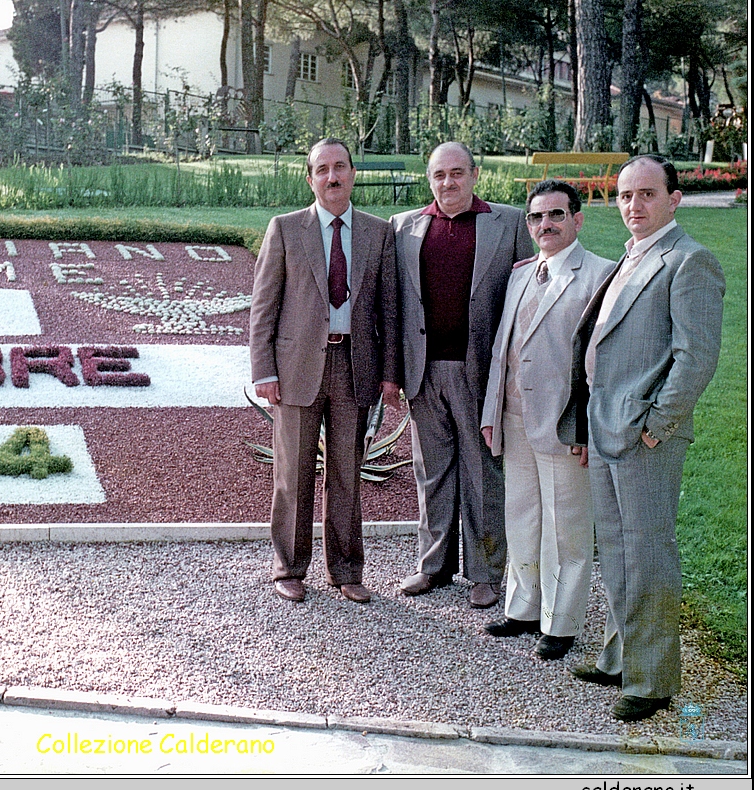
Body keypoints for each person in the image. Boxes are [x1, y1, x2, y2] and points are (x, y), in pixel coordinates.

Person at [558, 154, 724, 722]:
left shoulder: (689, 261)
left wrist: (657, 427)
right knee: (620, 552)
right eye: (626, 195)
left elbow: (695, 359)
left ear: (674, 199)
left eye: (647, 195)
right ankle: (618, 658)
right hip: (607, 429)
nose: (634, 206)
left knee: (649, 553)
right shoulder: (632, 255)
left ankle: (651, 682)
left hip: (645, 436)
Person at [250, 137, 401, 604]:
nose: (332, 177)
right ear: (311, 177)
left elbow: (389, 310)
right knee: (292, 472)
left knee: (346, 472)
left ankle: (346, 569)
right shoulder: (286, 229)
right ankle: (289, 567)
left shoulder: (379, 233)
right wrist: (264, 371)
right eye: (322, 169)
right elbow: (264, 306)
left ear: (353, 173)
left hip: (356, 366)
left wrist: (390, 373)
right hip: (296, 367)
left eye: (340, 167)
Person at [392, 141, 532, 608]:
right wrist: (394, 371)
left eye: (457, 173)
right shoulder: (406, 227)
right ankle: (432, 567)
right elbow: (394, 308)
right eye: (439, 175)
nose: (448, 183)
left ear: (474, 175)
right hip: (424, 371)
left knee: (482, 473)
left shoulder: (509, 222)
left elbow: (526, 297)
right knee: (431, 473)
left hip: (481, 372)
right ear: (429, 179)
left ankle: (486, 574)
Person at [479, 180, 614, 659]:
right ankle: (524, 608)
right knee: (522, 515)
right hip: (515, 417)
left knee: (566, 525)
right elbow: (503, 349)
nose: (545, 225)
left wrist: (585, 426)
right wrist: (492, 409)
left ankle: (561, 623)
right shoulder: (520, 274)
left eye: (555, 215)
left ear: (577, 219)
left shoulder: (599, 274)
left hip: (563, 423)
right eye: (536, 217)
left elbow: (599, 363)